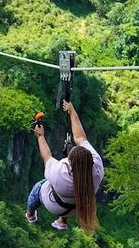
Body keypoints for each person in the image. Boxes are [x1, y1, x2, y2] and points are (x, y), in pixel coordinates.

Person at [25, 100, 103, 234]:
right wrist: (72, 111)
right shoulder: (97, 166)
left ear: (70, 164)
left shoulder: (60, 173)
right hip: (79, 208)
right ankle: (62, 221)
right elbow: (80, 137)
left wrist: (40, 136)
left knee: (38, 187)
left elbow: (47, 157)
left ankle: (30, 214)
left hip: (56, 206)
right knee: (73, 192)